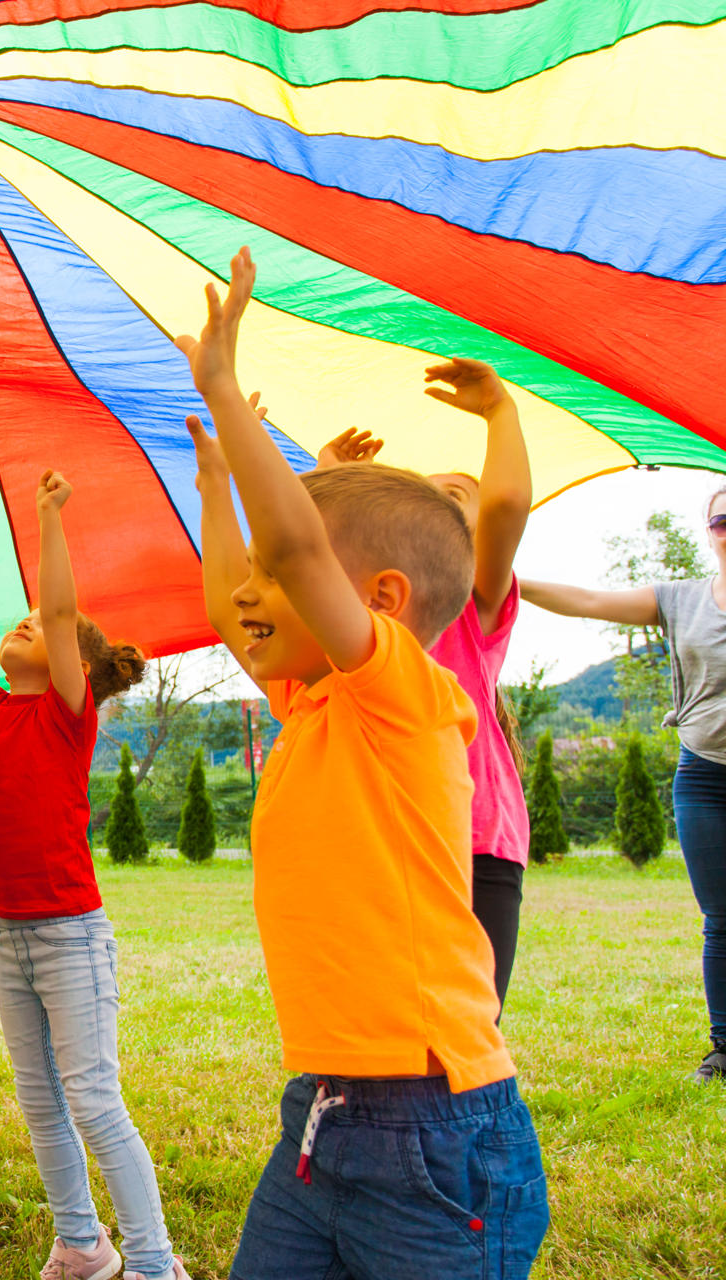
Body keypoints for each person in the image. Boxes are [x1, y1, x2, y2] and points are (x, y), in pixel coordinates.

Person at [183, 248, 548, 1277]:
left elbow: (297, 553)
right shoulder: (309, 704)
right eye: (259, 570)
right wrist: (217, 484)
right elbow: (234, 598)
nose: (255, 593)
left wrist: (230, 398)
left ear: (380, 601)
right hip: (323, 1110)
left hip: (435, 1123)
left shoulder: (406, 697)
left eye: (279, 571)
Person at [0, 482, 182, 1280]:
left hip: (69, 936)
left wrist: (49, 520)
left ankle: (156, 1262)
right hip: (14, 935)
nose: (24, 625)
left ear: (79, 668)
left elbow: (62, 614)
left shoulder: (68, 712)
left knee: (95, 1101)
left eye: (34, 625)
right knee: (41, 1103)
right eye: (18, 622)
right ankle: (79, 1244)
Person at [315, 357, 535, 1011]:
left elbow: (504, 503)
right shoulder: (367, 612)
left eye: (455, 496)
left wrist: (499, 410)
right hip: (378, 837)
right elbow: (311, 560)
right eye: (422, 493)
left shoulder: (474, 602)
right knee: (379, 1015)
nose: (436, 500)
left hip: (473, 842)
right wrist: (336, 481)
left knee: (468, 1019)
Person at [523, 486, 726, 1081]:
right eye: (723, 519)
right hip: (705, 776)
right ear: (710, 530)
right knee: (721, 918)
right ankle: (724, 1047)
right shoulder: (680, 599)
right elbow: (587, 599)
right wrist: (506, 583)